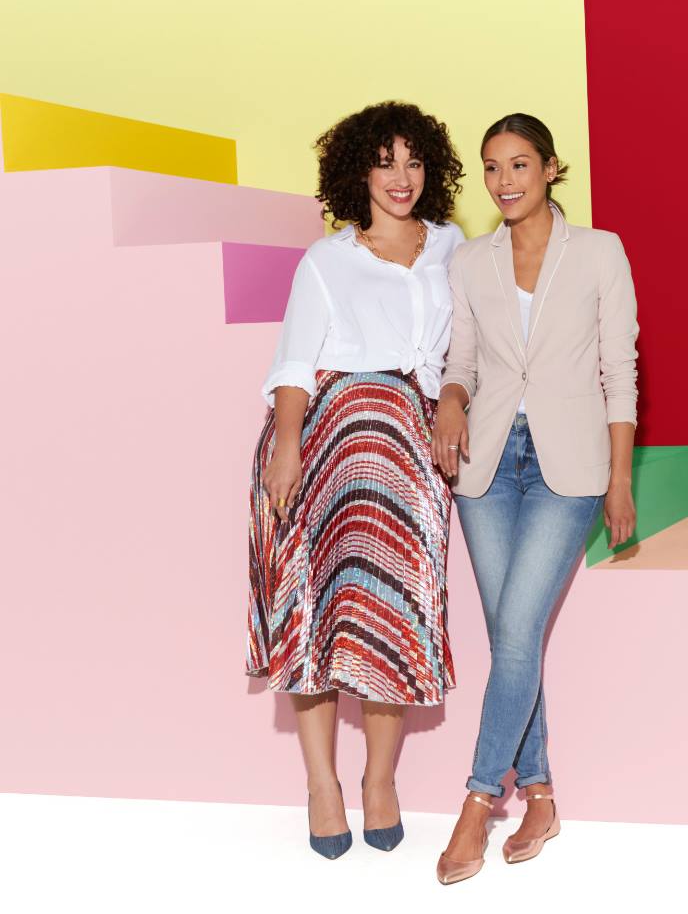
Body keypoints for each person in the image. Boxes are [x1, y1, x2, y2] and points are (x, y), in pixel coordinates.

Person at [247, 101, 465, 859]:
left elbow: (466, 350)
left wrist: (454, 402)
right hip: (326, 442)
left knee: (390, 609)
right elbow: (294, 362)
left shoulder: (452, 246)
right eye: (384, 162)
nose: (401, 177)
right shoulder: (327, 260)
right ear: (358, 174)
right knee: (314, 607)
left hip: (410, 452)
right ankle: (320, 784)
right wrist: (286, 446)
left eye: (413, 161)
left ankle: (379, 780)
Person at [431, 113, 639, 884]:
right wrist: (450, 399)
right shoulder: (471, 260)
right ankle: (542, 796)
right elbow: (462, 360)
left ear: (551, 168)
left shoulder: (599, 251)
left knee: (516, 629)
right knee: (511, 636)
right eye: (492, 167)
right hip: (485, 465)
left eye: (519, 164)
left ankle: (479, 800)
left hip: (568, 466)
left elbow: (620, 368)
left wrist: (620, 478)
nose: (504, 181)